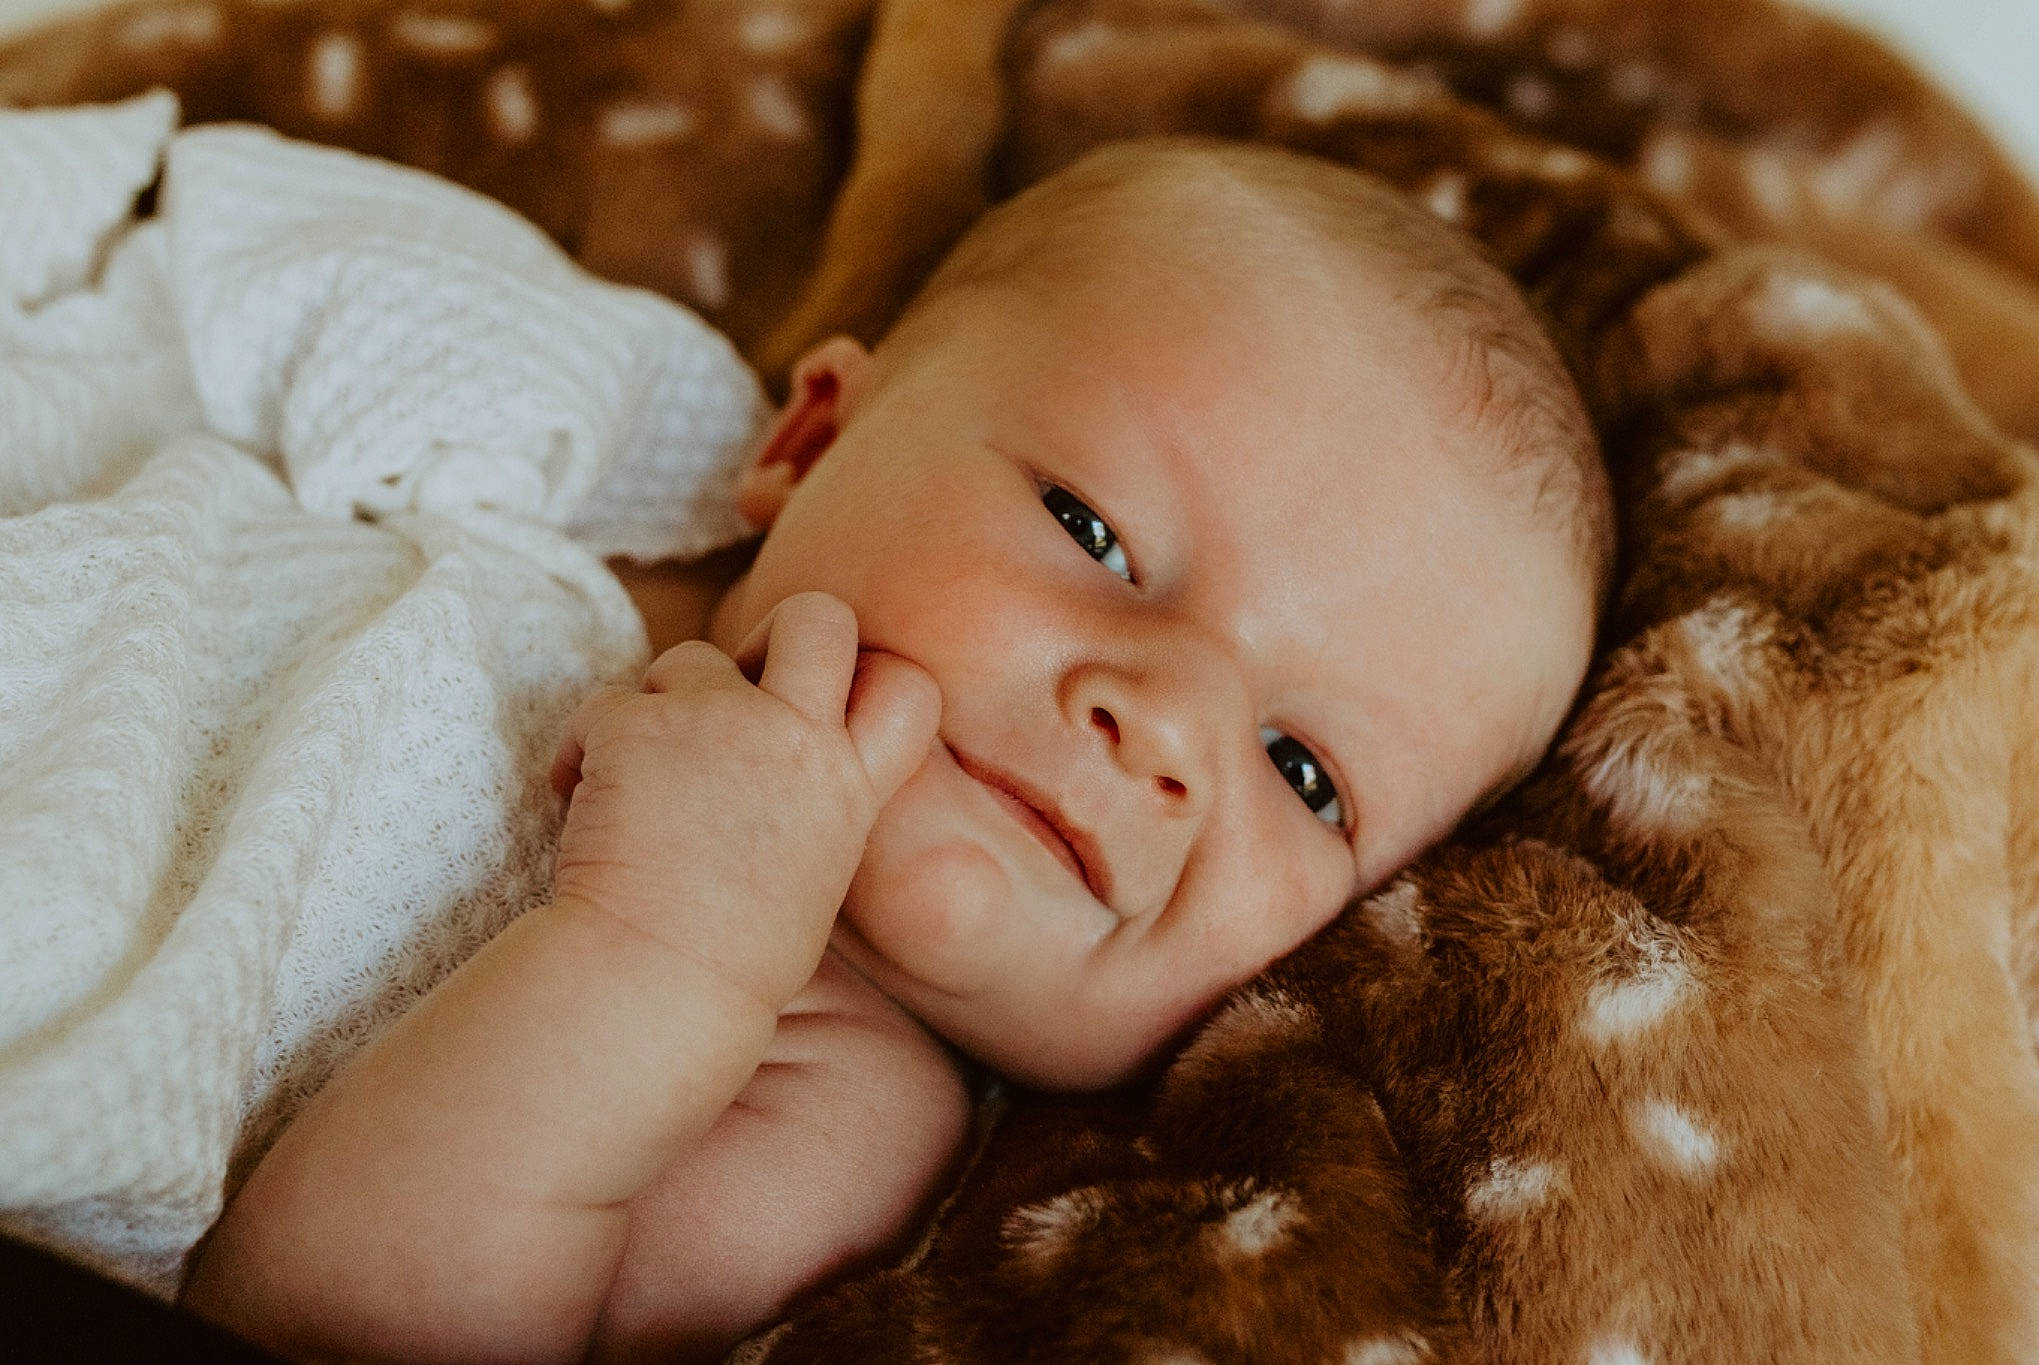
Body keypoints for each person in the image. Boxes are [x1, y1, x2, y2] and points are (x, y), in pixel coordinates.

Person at [181, 136, 1613, 1363]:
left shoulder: (841, 1103)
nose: (1167, 722)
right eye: (1094, 532)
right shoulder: (578, 458)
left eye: (1306, 774)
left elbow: (320, 1322)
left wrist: (662, 945)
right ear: (810, 441)